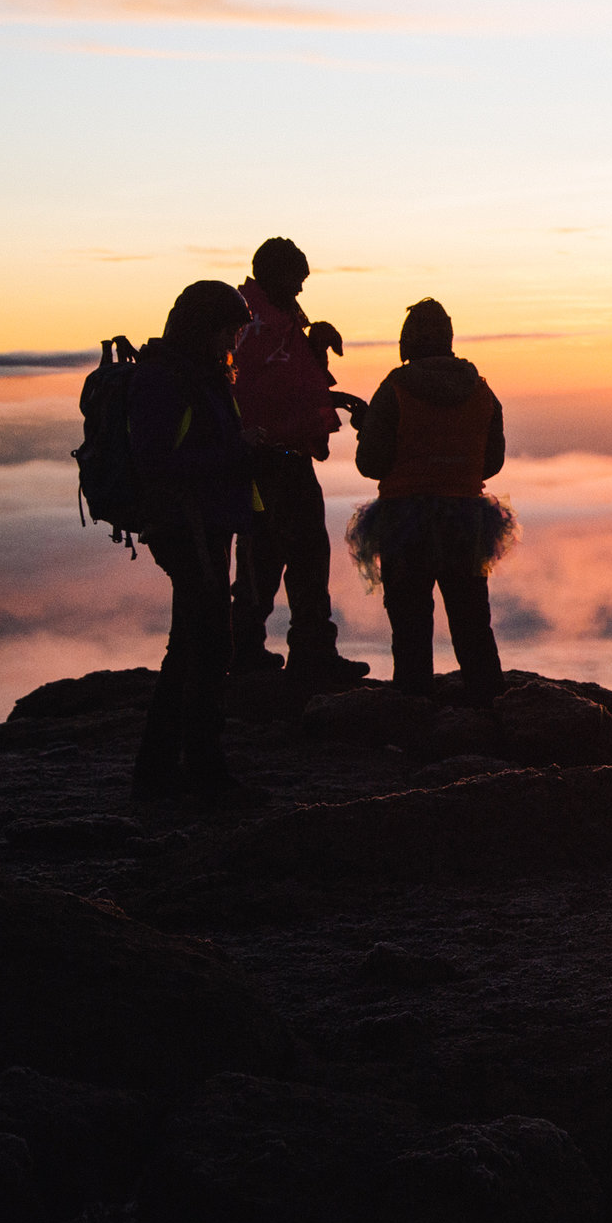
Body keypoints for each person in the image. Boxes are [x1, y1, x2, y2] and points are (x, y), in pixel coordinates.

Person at [128, 280, 268, 806]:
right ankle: (200, 773)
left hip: (204, 525)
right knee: (206, 645)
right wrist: (236, 454)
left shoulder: (199, 375)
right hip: (185, 527)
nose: (233, 339)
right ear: (204, 328)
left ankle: (162, 772)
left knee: (193, 645)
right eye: (229, 329)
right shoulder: (166, 380)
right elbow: (156, 461)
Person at [348, 299, 512, 701]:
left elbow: (370, 463)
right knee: (472, 620)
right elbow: (490, 463)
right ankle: (489, 707)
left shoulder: (395, 391)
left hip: (404, 519)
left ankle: (413, 709)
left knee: (410, 624)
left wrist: (367, 428)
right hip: (465, 519)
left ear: (407, 342)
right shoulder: (482, 391)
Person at [230, 237, 370, 687]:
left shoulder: (266, 320)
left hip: (276, 458)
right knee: (296, 557)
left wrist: (321, 363)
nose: (302, 291)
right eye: (297, 280)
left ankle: (249, 651)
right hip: (273, 460)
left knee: (264, 557)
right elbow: (270, 395)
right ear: (274, 275)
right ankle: (308, 655)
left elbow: (287, 389)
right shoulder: (257, 327)